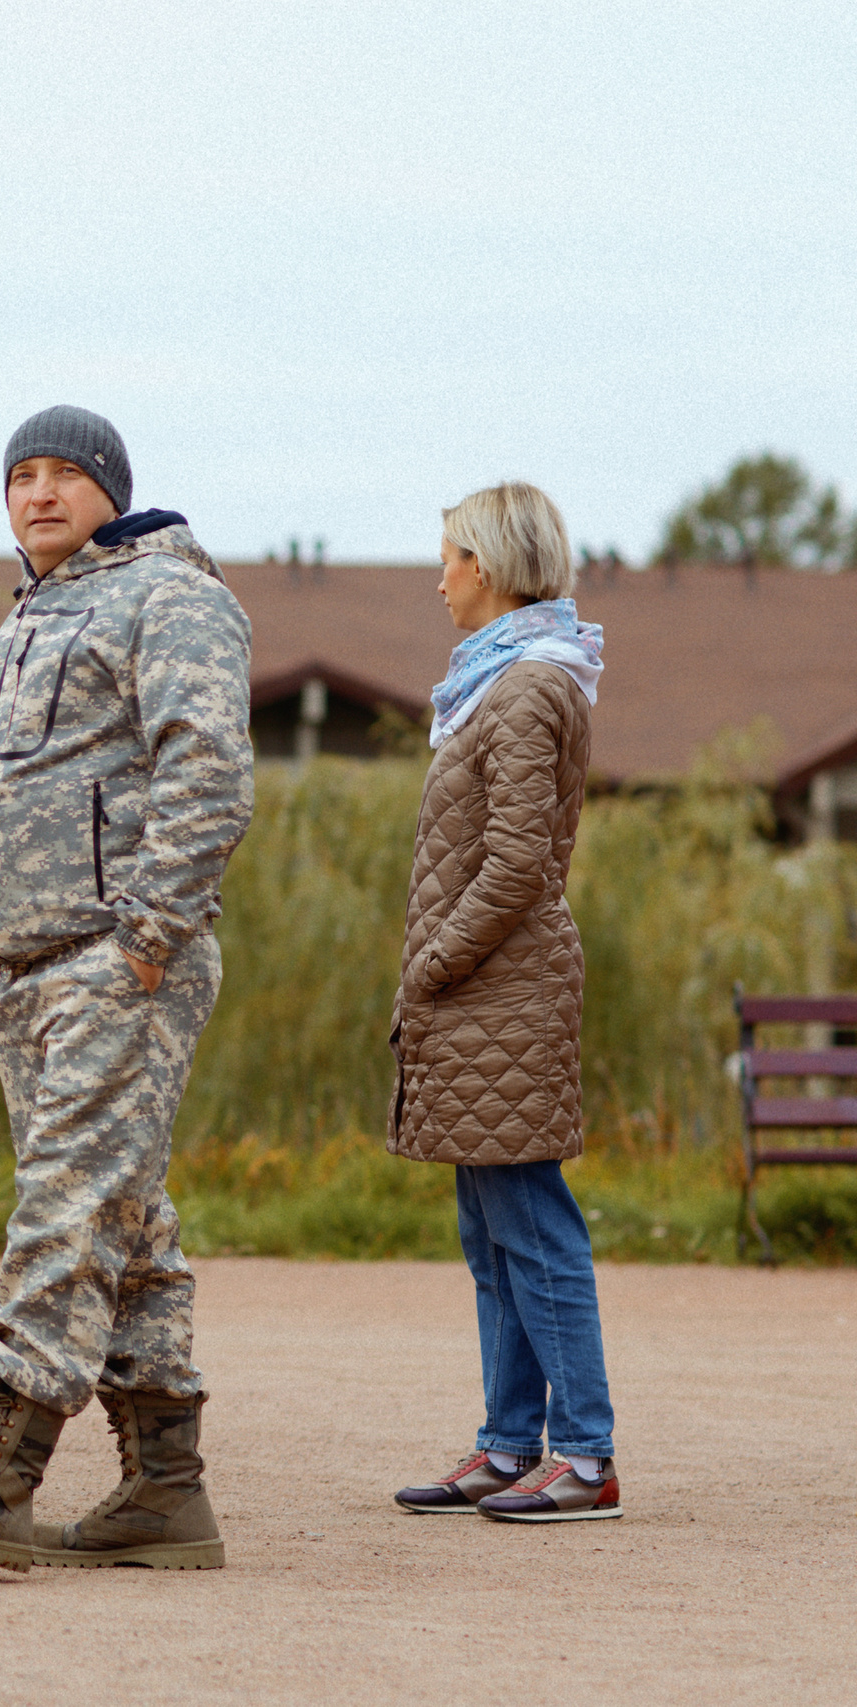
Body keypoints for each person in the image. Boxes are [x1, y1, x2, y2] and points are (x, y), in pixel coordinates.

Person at [0, 406, 252, 1572]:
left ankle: (3, 1465)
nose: (37, 492)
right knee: (124, 1217)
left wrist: (146, 937)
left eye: (63, 474)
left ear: (110, 492)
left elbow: (211, 769)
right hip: (34, 967)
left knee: (68, 1202)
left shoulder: (167, 596)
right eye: (19, 475)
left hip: (114, 956)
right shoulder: (29, 613)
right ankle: (165, 1490)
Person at [388, 482, 619, 1523]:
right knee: (492, 1232)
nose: (437, 579)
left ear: (482, 567)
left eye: (445, 559)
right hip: (484, 989)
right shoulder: (499, 683)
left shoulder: (525, 687)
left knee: (532, 1222)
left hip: (500, 984)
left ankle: (582, 1454)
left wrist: (435, 961)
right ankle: (507, 1442)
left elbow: (518, 861)